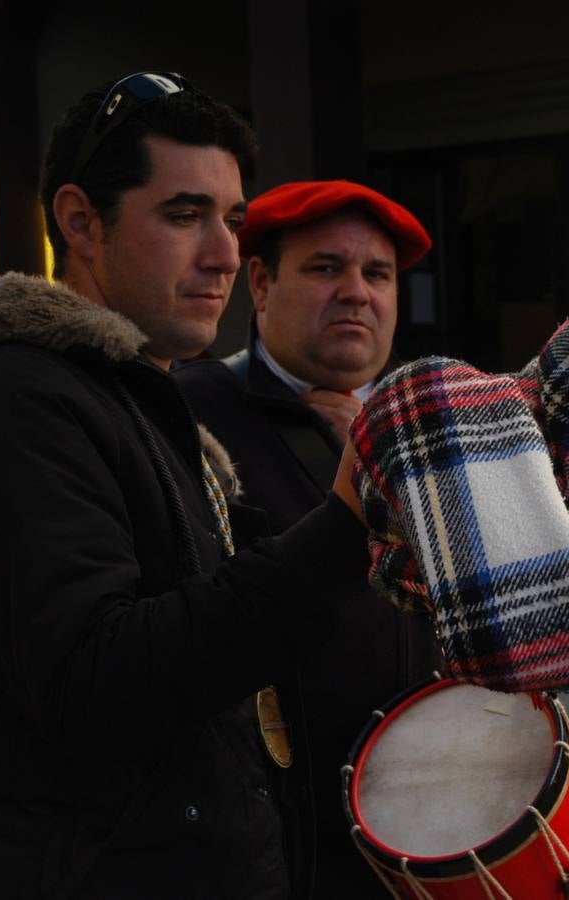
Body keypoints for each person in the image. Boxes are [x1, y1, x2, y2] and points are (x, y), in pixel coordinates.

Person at [0, 73, 370, 899]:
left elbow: (225, 654)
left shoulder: (140, 404)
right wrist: (343, 525)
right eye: (185, 215)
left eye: (232, 221)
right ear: (80, 221)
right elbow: (100, 684)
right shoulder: (12, 400)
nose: (227, 254)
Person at [174, 180, 443, 896]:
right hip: (280, 849)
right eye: (326, 268)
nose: (356, 292)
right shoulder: (189, 413)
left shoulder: (430, 427)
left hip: (420, 828)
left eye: (376, 274)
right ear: (259, 283)